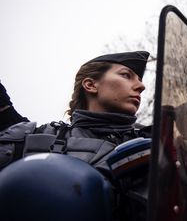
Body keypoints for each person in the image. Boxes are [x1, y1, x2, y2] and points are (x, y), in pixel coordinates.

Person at [0, 51, 151, 220]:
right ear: (90, 85)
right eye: (126, 75)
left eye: (140, 80)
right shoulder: (32, 138)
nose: (141, 86)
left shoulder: (154, 145)